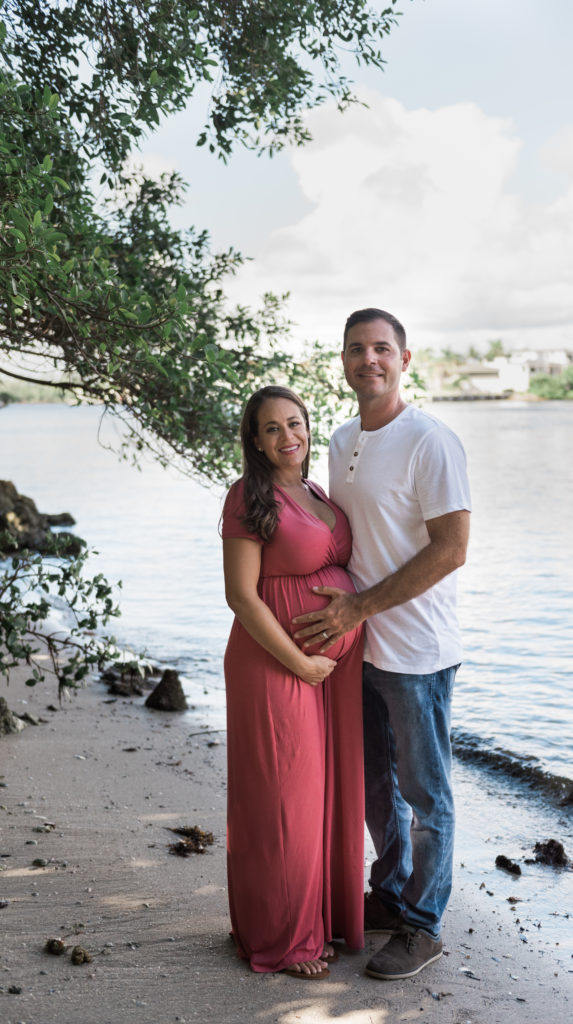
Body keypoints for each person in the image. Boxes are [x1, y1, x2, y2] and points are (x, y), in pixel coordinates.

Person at [293, 309, 471, 981]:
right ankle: (391, 895)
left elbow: (452, 550)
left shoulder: (431, 441)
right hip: (356, 648)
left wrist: (360, 606)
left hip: (418, 651)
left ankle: (424, 926)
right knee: (375, 787)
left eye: (381, 348)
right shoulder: (340, 441)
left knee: (426, 793)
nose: (369, 359)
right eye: (356, 348)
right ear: (342, 359)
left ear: (404, 359)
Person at [221, 385, 365, 979]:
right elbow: (241, 597)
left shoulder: (316, 491)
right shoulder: (246, 496)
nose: (289, 437)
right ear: (255, 440)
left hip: (329, 671)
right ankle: (284, 938)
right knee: (283, 801)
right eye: (273, 428)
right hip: (274, 662)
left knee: (322, 797)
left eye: (296, 423)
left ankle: (316, 919)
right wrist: (300, 664)